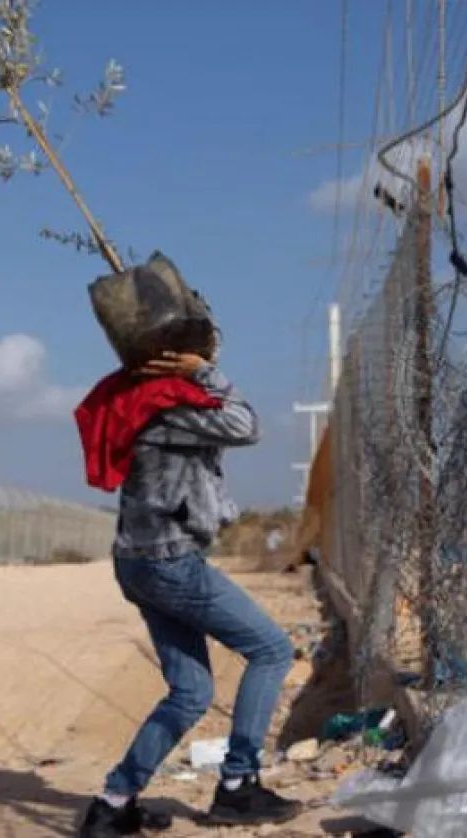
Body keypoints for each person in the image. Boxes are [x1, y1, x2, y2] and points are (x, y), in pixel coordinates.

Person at [74, 328, 302, 837]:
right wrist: (201, 370)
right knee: (271, 651)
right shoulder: (167, 409)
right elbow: (245, 425)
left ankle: (112, 804)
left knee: (191, 692)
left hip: (137, 560)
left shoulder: (133, 399)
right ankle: (239, 787)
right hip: (171, 562)